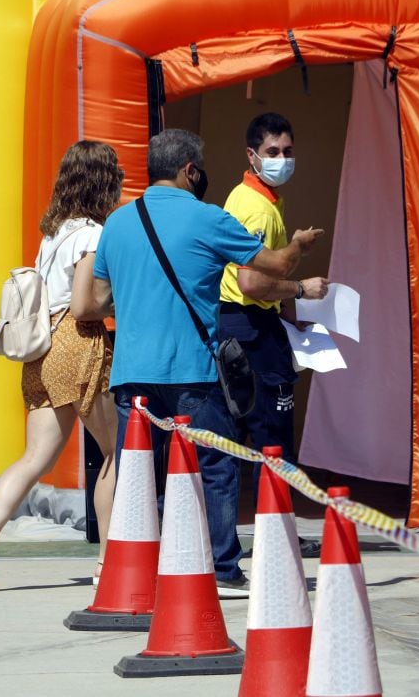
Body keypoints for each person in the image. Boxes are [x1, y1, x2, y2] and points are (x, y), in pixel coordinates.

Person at [75, 128, 322, 597]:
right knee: (215, 466)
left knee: (137, 474)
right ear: (189, 170)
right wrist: (299, 246)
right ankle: (223, 569)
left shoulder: (118, 223)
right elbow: (273, 267)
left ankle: (137, 573)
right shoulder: (208, 218)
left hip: (131, 374)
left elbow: (94, 303)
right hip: (193, 370)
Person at [0, 141, 123, 591]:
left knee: (34, 457)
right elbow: (85, 304)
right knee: (117, 454)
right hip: (78, 341)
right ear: (104, 183)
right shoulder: (91, 235)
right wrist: (121, 298)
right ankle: (109, 564)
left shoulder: (52, 234)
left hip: (41, 349)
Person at [218, 113, 328, 557]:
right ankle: (277, 538)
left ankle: (261, 535)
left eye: (287, 151)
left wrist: (285, 310)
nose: (282, 160)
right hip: (249, 330)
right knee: (271, 437)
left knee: (243, 437)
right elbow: (250, 283)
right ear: (251, 155)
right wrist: (301, 288)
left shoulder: (257, 198)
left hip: (249, 323)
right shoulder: (255, 209)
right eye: (272, 153)